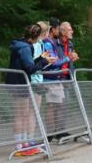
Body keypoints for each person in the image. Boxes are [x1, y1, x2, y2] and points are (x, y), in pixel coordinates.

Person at [8, 24, 56, 155]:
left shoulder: (23, 45)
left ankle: (25, 143)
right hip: (19, 83)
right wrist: (45, 61)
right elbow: (30, 68)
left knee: (23, 114)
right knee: (21, 114)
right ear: (37, 36)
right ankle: (20, 145)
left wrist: (41, 58)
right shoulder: (24, 48)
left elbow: (28, 63)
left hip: (20, 82)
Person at [45, 21, 79, 139]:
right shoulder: (54, 43)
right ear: (63, 31)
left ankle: (61, 131)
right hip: (55, 77)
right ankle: (50, 133)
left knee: (64, 106)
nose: (72, 31)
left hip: (66, 77)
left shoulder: (70, 44)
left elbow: (70, 58)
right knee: (52, 105)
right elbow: (54, 60)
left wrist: (73, 58)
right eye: (70, 30)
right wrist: (67, 58)